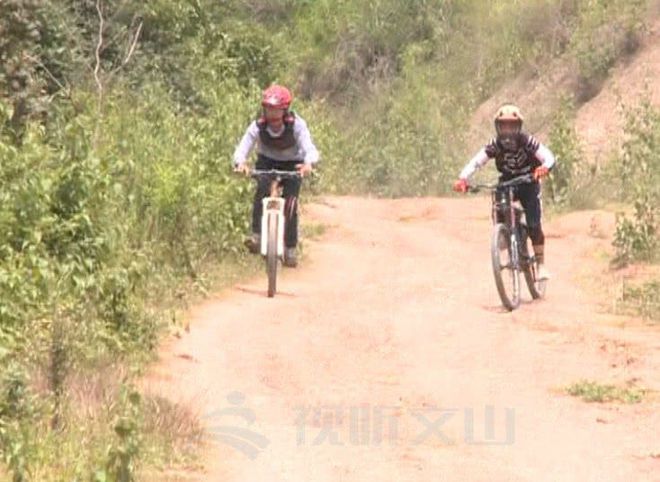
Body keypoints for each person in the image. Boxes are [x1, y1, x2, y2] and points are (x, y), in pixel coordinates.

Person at [453, 104, 555, 280]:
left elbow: (548, 156)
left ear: (518, 126)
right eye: (504, 125)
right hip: (507, 182)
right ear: (498, 127)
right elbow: (477, 161)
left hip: (529, 182)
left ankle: (541, 265)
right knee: (499, 202)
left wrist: (544, 167)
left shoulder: (526, 141)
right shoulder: (495, 145)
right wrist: (463, 178)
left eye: (511, 125)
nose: (507, 131)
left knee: (534, 225)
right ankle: (503, 233)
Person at [233, 84, 319, 267]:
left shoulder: (297, 125)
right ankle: (256, 235)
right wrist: (240, 163)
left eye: (276, 111)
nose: (272, 115)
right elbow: (243, 147)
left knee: (291, 204)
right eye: (269, 110)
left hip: (293, 164)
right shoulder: (258, 126)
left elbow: (309, 147)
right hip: (267, 162)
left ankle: (290, 248)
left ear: (285, 110)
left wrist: (308, 164)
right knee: (261, 193)